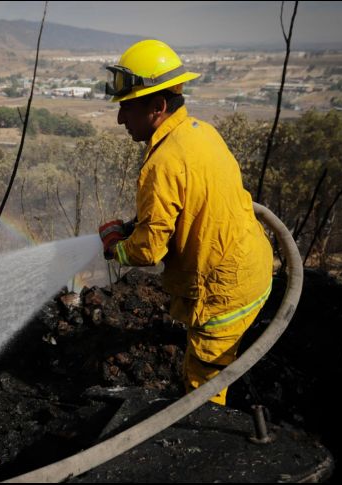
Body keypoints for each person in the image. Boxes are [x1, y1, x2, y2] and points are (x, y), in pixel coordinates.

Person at [98, 39, 273, 405]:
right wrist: (137, 225)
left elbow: (147, 252)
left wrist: (117, 248)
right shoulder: (200, 131)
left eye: (127, 109)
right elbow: (190, 206)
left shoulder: (161, 165)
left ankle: (208, 444)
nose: (119, 119)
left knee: (202, 384)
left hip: (223, 294)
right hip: (253, 263)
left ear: (158, 106)